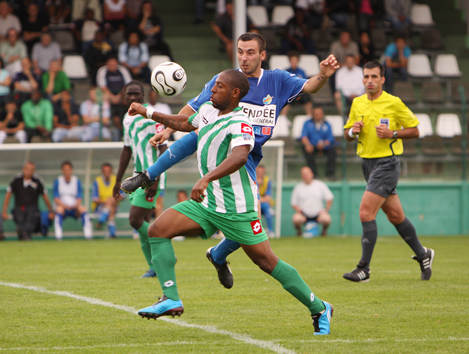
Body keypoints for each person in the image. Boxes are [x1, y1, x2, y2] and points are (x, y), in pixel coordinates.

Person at [120, 32, 340, 289]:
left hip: (243, 157)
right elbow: (191, 111)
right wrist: (167, 130)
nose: (244, 58)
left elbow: (311, 85)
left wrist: (323, 73)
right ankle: (148, 175)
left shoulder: (277, 81)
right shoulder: (223, 81)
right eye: (240, 52)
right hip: (219, 149)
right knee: (199, 133)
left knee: (249, 227)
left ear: (262, 55)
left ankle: (218, 254)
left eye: (250, 52)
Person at [128, 69, 333, 335]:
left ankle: (318, 307)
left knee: (267, 262)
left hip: (237, 207)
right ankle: (171, 298)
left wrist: (205, 179)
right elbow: (182, 123)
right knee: (157, 230)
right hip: (208, 202)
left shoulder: (241, 122)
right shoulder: (208, 112)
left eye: (219, 87)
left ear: (235, 93)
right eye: (213, 86)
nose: (212, 90)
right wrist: (147, 112)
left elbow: (238, 157)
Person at [343, 60, 434, 282]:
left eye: (374, 77)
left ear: (382, 79)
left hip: (387, 163)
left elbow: (415, 130)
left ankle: (364, 268)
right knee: (395, 216)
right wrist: (353, 131)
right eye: (366, 77)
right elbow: (346, 134)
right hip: (367, 164)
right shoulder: (357, 103)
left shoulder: (393, 102)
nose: (370, 81)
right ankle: (423, 254)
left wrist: (393, 133)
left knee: (366, 212)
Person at [113, 81, 168, 278]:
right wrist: (118, 180)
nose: (134, 97)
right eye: (130, 94)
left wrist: (156, 179)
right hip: (136, 177)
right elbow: (126, 150)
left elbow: (163, 148)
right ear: (125, 95)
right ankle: (153, 267)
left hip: (152, 175)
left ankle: (165, 245)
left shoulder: (153, 116)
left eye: (137, 94)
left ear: (143, 95)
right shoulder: (127, 119)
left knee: (135, 220)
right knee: (143, 221)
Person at [2, 161, 54, 240]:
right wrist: (4, 211)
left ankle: (24, 233)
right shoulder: (16, 179)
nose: (29, 171)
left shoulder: (37, 180)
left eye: (31, 169)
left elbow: (45, 196)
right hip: (19, 207)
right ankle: (24, 234)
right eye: (27, 169)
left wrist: (51, 211)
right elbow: (8, 195)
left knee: (31, 220)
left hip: (32, 207)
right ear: (23, 169)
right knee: (19, 218)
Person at [52, 161, 93, 241]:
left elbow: (79, 197)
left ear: (71, 170)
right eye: (65, 169)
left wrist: (75, 205)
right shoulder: (58, 181)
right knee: (59, 210)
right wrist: (64, 205)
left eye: (68, 169)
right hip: (62, 206)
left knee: (83, 209)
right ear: (62, 171)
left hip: (74, 206)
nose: (67, 171)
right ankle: (58, 236)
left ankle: (88, 235)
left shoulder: (76, 181)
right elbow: (56, 198)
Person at [291, 166, 333, 237]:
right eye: (303, 174)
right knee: (296, 219)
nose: (305, 176)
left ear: (312, 174)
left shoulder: (320, 185)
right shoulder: (298, 187)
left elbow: (329, 197)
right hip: (303, 214)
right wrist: (299, 211)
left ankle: (324, 232)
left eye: (307, 173)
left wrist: (326, 209)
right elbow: (294, 203)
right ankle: (299, 232)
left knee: (326, 219)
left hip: (318, 214)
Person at [97, 55, 132, 130]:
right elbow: (102, 86)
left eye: (113, 63)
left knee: (128, 98)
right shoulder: (102, 71)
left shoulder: (123, 70)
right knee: (104, 98)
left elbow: (128, 85)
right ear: (107, 63)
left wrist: (119, 96)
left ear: (116, 63)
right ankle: (107, 121)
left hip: (121, 93)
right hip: (109, 94)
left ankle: (128, 120)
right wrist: (112, 97)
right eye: (110, 63)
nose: (112, 65)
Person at [300, 107, 336, 179]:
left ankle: (330, 174)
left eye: (319, 114)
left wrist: (325, 143)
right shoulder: (307, 123)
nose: (317, 115)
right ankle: (314, 174)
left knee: (332, 150)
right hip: (312, 145)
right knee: (307, 150)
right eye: (315, 114)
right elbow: (304, 136)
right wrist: (307, 144)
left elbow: (330, 137)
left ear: (322, 114)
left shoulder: (327, 124)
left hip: (324, 146)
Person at [92, 162, 120, 238]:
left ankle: (101, 221)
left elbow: (122, 195)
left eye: (108, 171)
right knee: (111, 207)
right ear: (102, 172)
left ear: (111, 171)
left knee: (112, 201)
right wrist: (107, 201)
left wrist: (112, 200)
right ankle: (113, 235)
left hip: (114, 205)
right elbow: (95, 199)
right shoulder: (97, 181)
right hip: (99, 207)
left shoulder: (116, 179)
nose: (107, 172)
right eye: (105, 171)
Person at [282, 51, 312, 118]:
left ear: (298, 61)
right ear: (290, 61)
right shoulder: (286, 72)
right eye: (292, 61)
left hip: (301, 93)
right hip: (290, 94)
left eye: (295, 61)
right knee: (284, 101)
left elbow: (305, 84)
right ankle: (283, 119)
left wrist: (299, 94)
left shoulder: (302, 72)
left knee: (308, 100)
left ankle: (309, 118)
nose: (294, 63)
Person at [256, 165, 275, 237]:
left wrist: (260, 199)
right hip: (253, 204)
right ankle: (257, 231)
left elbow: (268, 197)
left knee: (267, 207)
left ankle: (270, 231)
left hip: (262, 204)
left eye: (262, 172)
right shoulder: (252, 179)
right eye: (258, 172)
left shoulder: (267, 180)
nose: (260, 173)